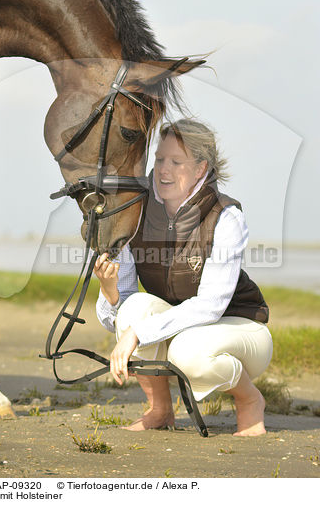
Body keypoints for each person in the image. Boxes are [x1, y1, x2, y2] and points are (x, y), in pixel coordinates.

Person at [93, 118, 273, 436]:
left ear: (201, 168)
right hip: (180, 329)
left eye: (177, 162)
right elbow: (118, 321)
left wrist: (138, 333)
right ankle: (160, 409)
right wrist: (110, 294)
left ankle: (249, 400)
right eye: (160, 159)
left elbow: (210, 307)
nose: (163, 170)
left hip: (240, 329)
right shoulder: (135, 211)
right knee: (133, 309)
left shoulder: (226, 216)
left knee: (187, 352)